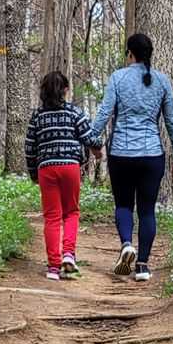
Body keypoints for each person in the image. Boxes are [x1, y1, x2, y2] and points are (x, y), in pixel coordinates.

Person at [90, 33, 173, 282]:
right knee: (146, 211)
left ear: (130, 53)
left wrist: (92, 140)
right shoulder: (162, 81)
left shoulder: (118, 78)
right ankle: (142, 265)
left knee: (123, 205)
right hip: (152, 155)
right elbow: (171, 122)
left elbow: (103, 114)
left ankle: (125, 245)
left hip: (121, 153)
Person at [24, 71, 101, 281]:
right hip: (70, 167)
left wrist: (33, 173)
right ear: (65, 90)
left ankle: (53, 267)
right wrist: (98, 149)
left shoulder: (37, 116)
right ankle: (69, 254)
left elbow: (30, 148)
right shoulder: (74, 113)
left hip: (46, 169)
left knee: (52, 217)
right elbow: (89, 136)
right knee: (72, 213)